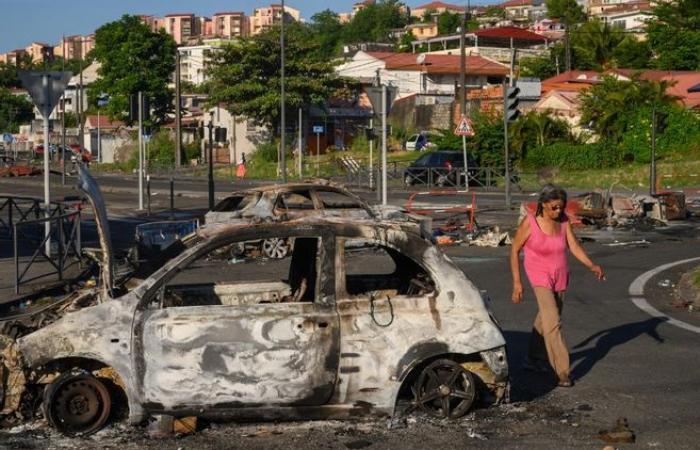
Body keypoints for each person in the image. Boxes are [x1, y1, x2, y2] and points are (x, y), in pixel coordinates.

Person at [510, 184, 605, 387]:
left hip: (560, 275)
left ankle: (533, 359)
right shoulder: (531, 222)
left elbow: (573, 246)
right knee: (553, 322)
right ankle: (562, 371)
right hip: (539, 275)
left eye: (561, 207)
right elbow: (514, 250)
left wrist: (592, 265)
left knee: (545, 319)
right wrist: (517, 283)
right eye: (554, 207)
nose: (558, 211)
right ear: (543, 204)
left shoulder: (563, 221)